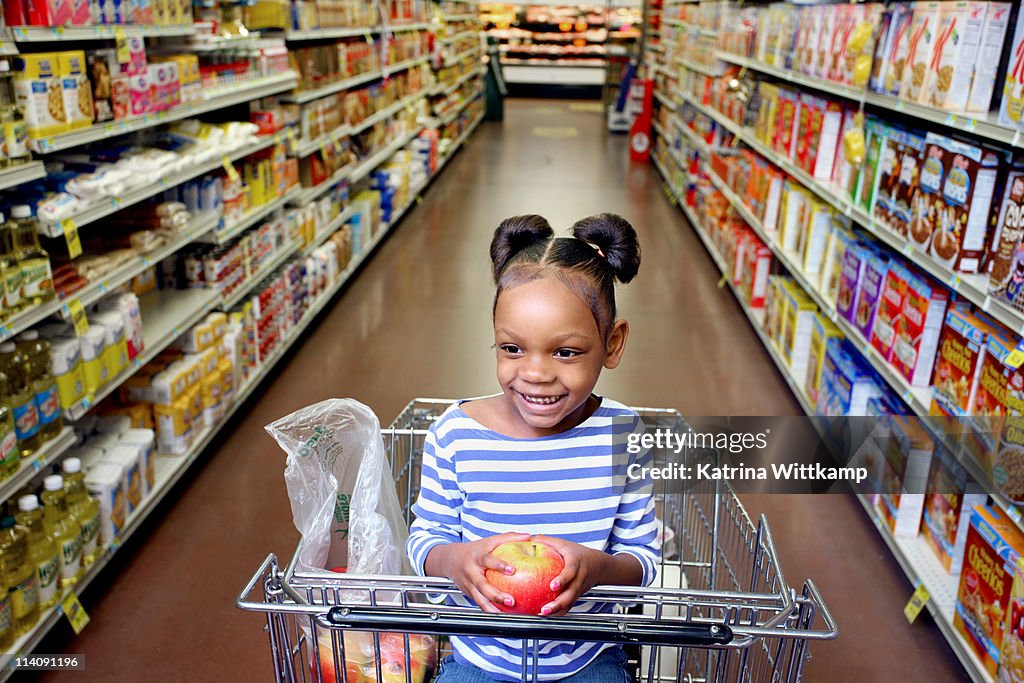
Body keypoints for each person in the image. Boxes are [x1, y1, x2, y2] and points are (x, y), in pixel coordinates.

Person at [406, 213, 660, 681]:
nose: (536, 373)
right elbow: (425, 539)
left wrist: (596, 569)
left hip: (588, 654)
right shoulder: (455, 434)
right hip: (479, 654)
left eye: (565, 352)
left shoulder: (622, 435)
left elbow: (642, 558)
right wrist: (457, 561)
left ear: (613, 343)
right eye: (512, 348)